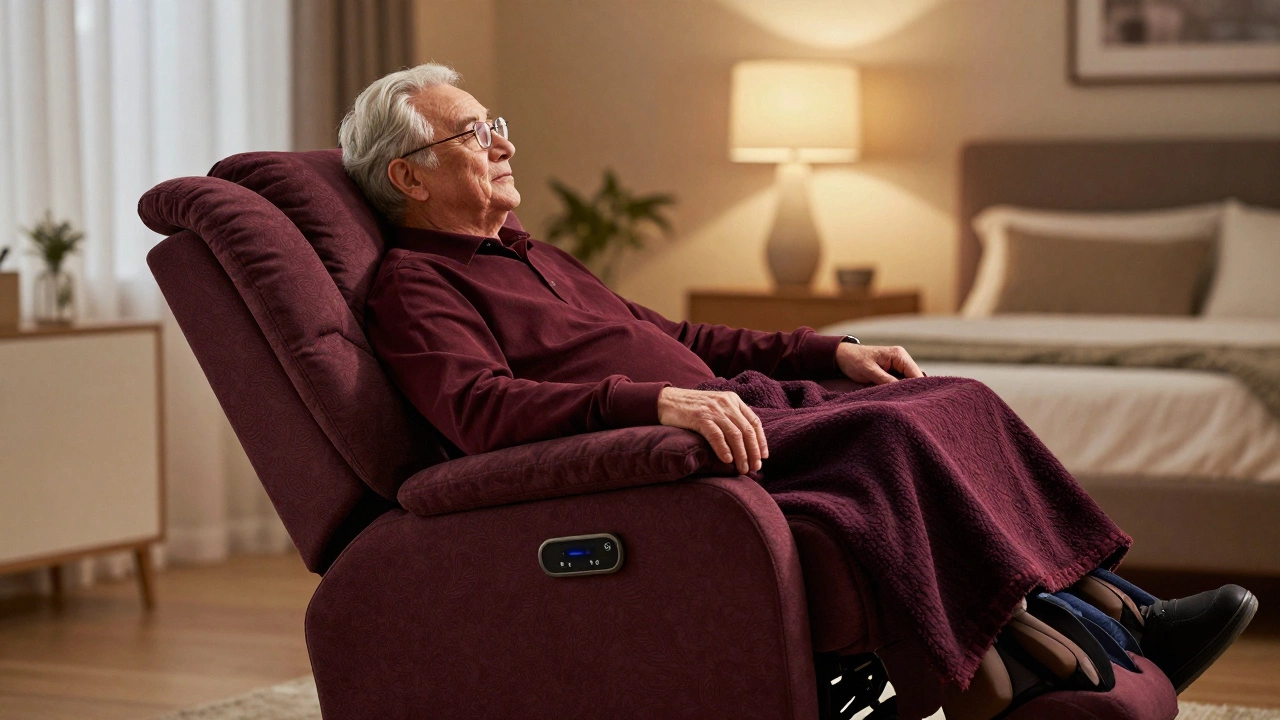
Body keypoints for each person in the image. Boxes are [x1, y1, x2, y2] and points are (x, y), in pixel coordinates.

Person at [341, 64, 1255, 718]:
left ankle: (1122, 610)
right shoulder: (418, 286)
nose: (501, 141)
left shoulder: (530, 253)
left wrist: (830, 351)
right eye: (471, 132)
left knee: (957, 397)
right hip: (675, 459)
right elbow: (480, 410)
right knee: (900, 440)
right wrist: (653, 405)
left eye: (495, 120)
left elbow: (678, 336)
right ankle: (1032, 659)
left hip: (742, 408)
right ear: (408, 176)